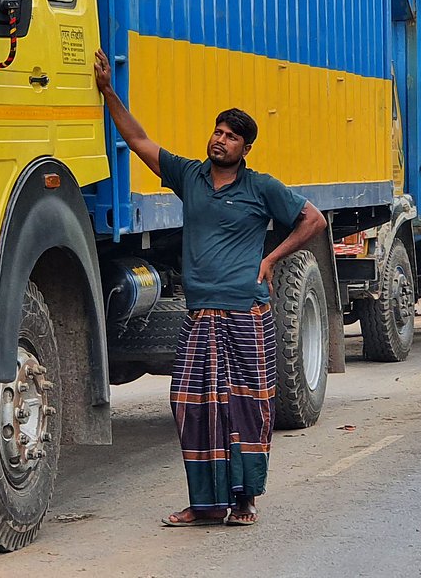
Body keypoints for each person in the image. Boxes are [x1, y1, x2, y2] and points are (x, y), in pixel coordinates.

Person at [94, 49, 327, 528]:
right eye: (218, 131)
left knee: (246, 406)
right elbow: (138, 140)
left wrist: (270, 259)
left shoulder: (261, 188)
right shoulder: (191, 176)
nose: (219, 140)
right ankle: (204, 504)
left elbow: (313, 220)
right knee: (193, 406)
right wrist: (108, 93)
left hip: (245, 312)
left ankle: (244, 500)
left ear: (245, 149)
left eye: (231, 136)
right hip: (200, 315)